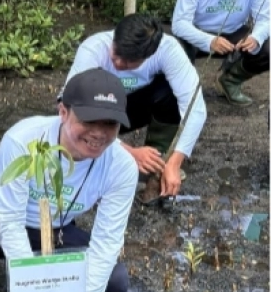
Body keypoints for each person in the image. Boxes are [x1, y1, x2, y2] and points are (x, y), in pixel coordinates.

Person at [0, 68, 136, 292]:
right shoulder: (23, 140)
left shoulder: (122, 166)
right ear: (63, 112)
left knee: (114, 280)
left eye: (110, 124)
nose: (99, 134)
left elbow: (107, 242)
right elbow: (10, 221)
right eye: (89, 121)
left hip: (53, 230)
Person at [63, 14, 207, 205]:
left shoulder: (167, 49)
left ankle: (156, 166)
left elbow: (195, 108)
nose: (119, 63)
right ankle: (96, 167)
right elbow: (67, 108)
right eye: (117, 53)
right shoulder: (94, 48)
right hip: (98, 111)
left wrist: (176, 161)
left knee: (170, 93)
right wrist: (130, 151)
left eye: (129, 61)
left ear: (149, 55)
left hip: (133, 108)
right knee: (76, 127)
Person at [172, 0, 269, 106]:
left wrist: (256, 37)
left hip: (234, 33)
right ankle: (184, 94)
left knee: (267, 47)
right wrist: (209, 41)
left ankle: (230, 80)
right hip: (198, 32)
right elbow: (179, 23)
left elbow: (265, 18)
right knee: (175, 51)